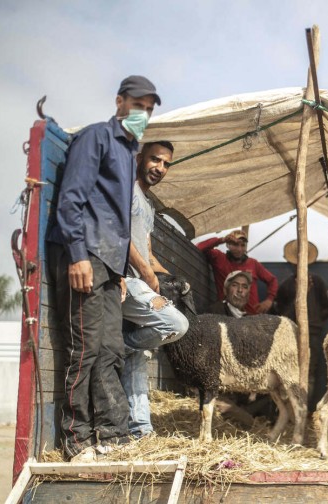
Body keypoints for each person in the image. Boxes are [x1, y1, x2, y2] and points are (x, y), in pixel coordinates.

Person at [46, 75, 161, 461]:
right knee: (85, 349)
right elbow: (71, 199)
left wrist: (123, 273)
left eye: (149, 108)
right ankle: (76, 440)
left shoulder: (130, 154)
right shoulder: (96, 138)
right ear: (119, 102)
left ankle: (112, 436)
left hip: (110, 267)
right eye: (137, 105)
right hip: (86, 256)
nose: (142, 113)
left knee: (111, 348)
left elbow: (121, 223)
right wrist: (77, 255)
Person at [121, 140, 189, 439]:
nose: (160, 168)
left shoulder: (148, 205)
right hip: (124, 282)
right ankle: (123, 343)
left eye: (166, 164)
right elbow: (119, 238)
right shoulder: (125, 190)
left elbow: (147, 252)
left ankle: (141, 431)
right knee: (176, 323)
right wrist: (148, 274)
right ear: (140, 158)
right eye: (155, 160)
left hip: (141, 283)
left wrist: (173, 277)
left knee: (137, 358)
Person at [273, 240, 328, 412]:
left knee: (310, 375)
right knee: (287, 373)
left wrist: (314, 322)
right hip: (290, 336)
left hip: (312, 335)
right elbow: (279, 314)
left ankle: (303, 411)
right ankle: (289, 413)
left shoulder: (318, 282)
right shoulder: (286, 286)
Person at [197, 229, 278, 315]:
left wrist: (269, 300)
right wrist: (222, 240)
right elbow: (199, 247)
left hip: (252, 317)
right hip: (228, 315)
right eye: (235, 244)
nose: (239, 249)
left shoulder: (253, 263)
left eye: (243, 245)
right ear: (228, 245)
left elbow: (272, 280)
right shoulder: (219, 258)